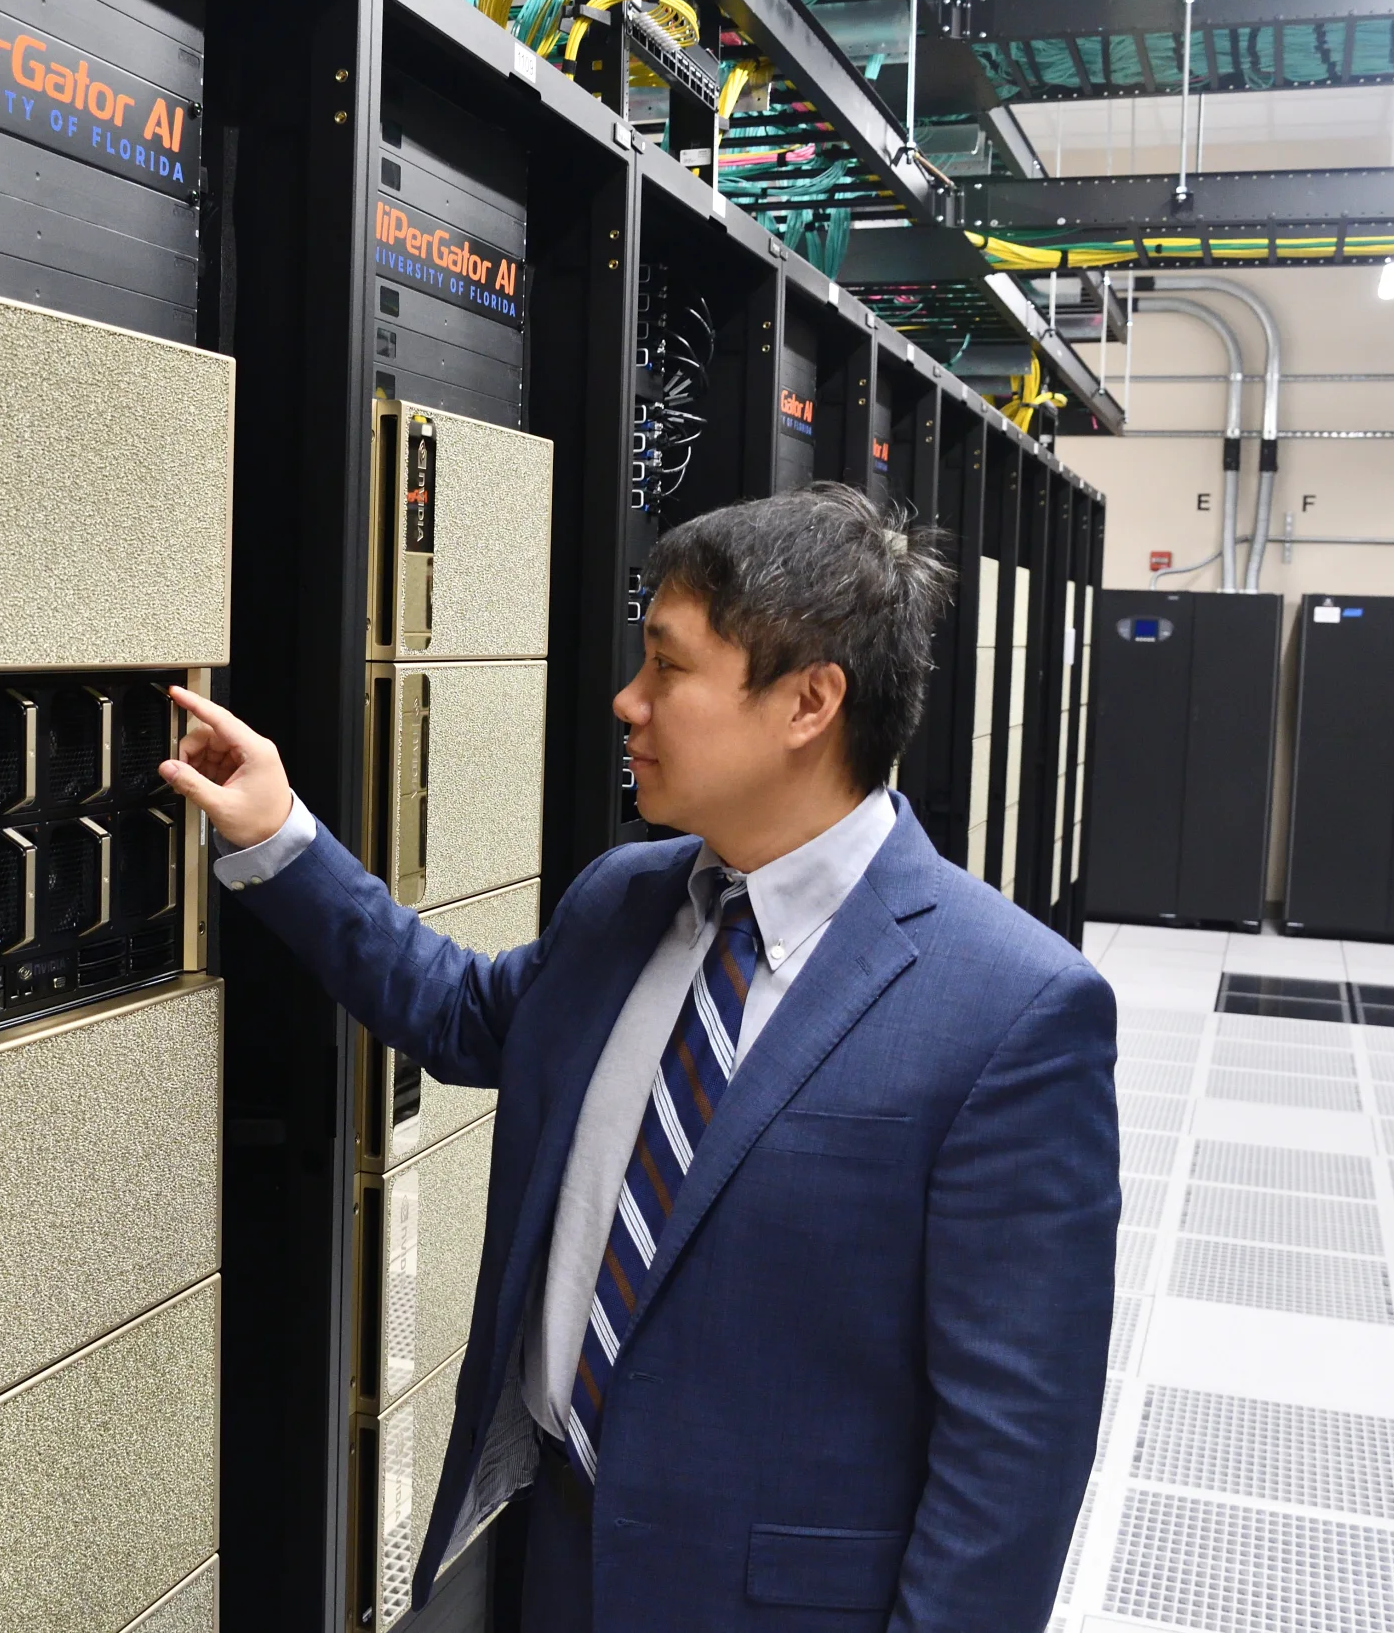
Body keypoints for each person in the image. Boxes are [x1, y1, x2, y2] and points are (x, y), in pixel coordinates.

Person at [160, 484, 1117, 1633]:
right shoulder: (627, 901)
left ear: (810, 701)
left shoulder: (1009, 1010)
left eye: (667, 666)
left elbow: (1013, 1454)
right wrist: (281, 839)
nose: (627, 701)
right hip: (545, 1554)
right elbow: (461, 1013)